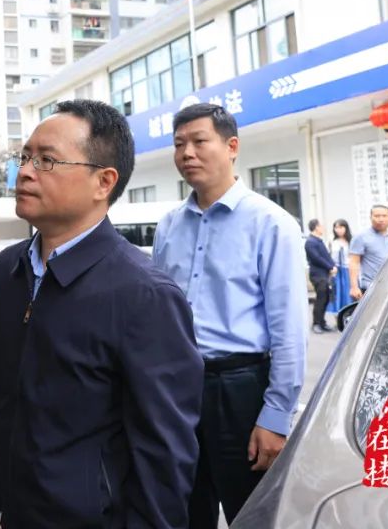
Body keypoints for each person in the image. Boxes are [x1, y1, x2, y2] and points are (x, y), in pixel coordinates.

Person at [0, 100, 203, 529]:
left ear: (103, 182)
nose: (25, 172)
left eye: (47, 160)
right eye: (24, 157)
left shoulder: (144, 295)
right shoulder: (7, 271)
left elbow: (165, 452)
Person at [153, 103, 307, 529]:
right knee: (182, 511)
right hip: (177, 391)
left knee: (251, 513)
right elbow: (159, 317)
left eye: (199, 141)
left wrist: (276, 417)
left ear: (232, 146)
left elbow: (289, 329)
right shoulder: (169, 226)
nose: (187, 153)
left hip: (241, 390)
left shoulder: (271, 223)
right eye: (179, 144)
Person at [349, 205, 388, 301]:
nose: (381, 219)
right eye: (377, 216)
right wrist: (354, 287)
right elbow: (354, 262)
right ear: (370, 217)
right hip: (370, 287)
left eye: (384, 216)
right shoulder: (361, 237)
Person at [304, 219, 336, 333]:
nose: (323, 228)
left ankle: (322, 323)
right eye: (321, 226)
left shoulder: (318, 241)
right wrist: (330, 267)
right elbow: (316, 258)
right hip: (317, 275)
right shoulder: (310, 242)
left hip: (324, 274)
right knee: (321, 299)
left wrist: (332, 265)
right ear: (316, 227)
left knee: (326, 298)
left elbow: (326, 256)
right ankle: (316, 324)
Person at [327, 219, 353, 312]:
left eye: (341, 227)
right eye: (336, 227)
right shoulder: (332, 241)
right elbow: (328, 256)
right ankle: (338, 316)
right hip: (336, 271)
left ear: (346, 228)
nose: (338, 230)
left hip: (348, 270)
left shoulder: (351, 241)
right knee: (336, 294)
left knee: (348, 293)